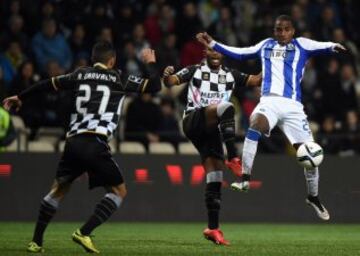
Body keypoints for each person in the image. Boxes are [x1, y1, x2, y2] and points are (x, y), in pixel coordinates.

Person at [3, 41, 161, 253]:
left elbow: (46, 84)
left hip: (73, 142)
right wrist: (151, 64)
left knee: (58, 189)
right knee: (118, 191)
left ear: (92, 60)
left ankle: (36, 242)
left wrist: (20, 96)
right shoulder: (119, 78)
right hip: (96, 141)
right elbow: (155, 86)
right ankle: (84, 232)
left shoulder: (80, 74)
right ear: (112, 60)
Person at [196, 14, 346, 221]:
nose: (282, 33)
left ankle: (313, 196)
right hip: (269, 103)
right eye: (278, 29)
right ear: (274, 31)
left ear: (292, 31)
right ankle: (245, 178)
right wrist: (213, 43)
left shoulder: (302, 45)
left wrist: (333, 45)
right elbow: (240, 53)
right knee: (254, 125)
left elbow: (322, 46)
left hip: (293, 106)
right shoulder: (265, 45)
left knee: (310, 155)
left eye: (286, 29)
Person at [163, 47, 261, 245]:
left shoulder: (231, 75)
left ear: (222, 54)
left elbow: (256, 80)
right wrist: (166, 76)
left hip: (211, 129)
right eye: (211, 51)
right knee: (227, 107)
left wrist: (271, 62)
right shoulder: (194, 70)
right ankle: (234, 158)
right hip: (193, 119)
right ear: (205, 54)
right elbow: (171, 82)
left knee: (215, 176)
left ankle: (213, 228)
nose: (215, 54)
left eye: (218, 52)